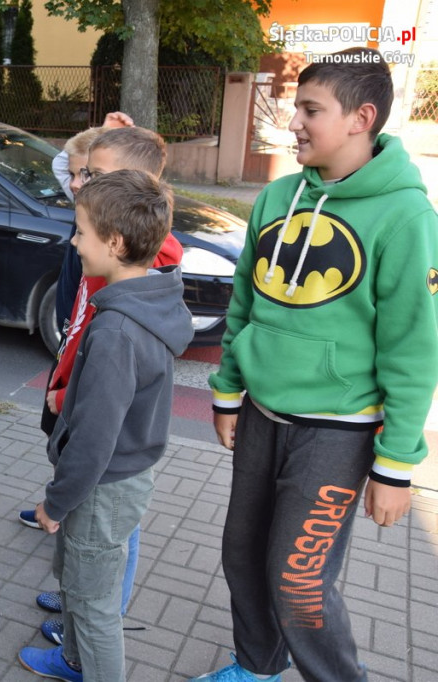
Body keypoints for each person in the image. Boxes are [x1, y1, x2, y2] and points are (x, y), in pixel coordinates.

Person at [192, 47, 438, 682]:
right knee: (242, 557)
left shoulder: (406, 216)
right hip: (262, 414)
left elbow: (413, 347)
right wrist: (227, 392)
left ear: (360, 117)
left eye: (310, 110)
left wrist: (397, 465)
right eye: (296, 108)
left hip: (338, 429)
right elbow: (246, 296)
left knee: (298, 583)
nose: (293, 123)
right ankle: (257, 666)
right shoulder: (278, 195)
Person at [18, 169, 193, 682]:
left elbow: (94, 440)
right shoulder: (148, 302)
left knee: (94, 607)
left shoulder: (116, 329)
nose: (73, 242)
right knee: (77, 582)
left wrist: (55, 501)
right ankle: (72, 661)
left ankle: (86, 664)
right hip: (115, 481)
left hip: (101, 486)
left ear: (114, 243)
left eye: (80, 232)